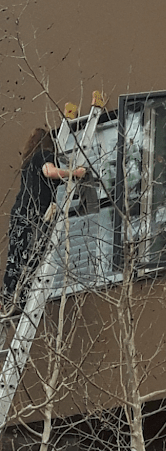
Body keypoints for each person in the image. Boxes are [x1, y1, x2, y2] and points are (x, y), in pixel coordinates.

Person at [2, 128, 85, 316]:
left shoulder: (28, 163)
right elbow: (50, 172)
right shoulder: (44, 155)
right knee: (33, 254)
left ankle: (8, 300)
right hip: (33, 213)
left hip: (20, 212)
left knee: (17, 255)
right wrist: (75, 172)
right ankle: (19, 299)